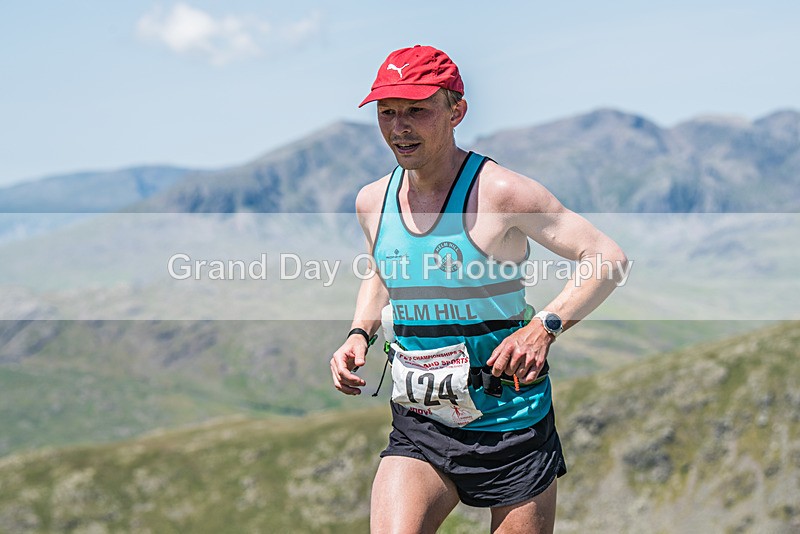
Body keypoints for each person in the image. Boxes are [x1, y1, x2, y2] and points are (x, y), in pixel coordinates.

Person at [330, 45, 627, 533]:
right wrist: (359, 334)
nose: (399, 127)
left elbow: (606, 258)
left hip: (512, 421)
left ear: (456, 111)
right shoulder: (372, 201)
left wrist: (543, 328)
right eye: (387, 113)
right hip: (421, 421)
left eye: (416, 111)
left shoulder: (502, 192)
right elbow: (381, 270)